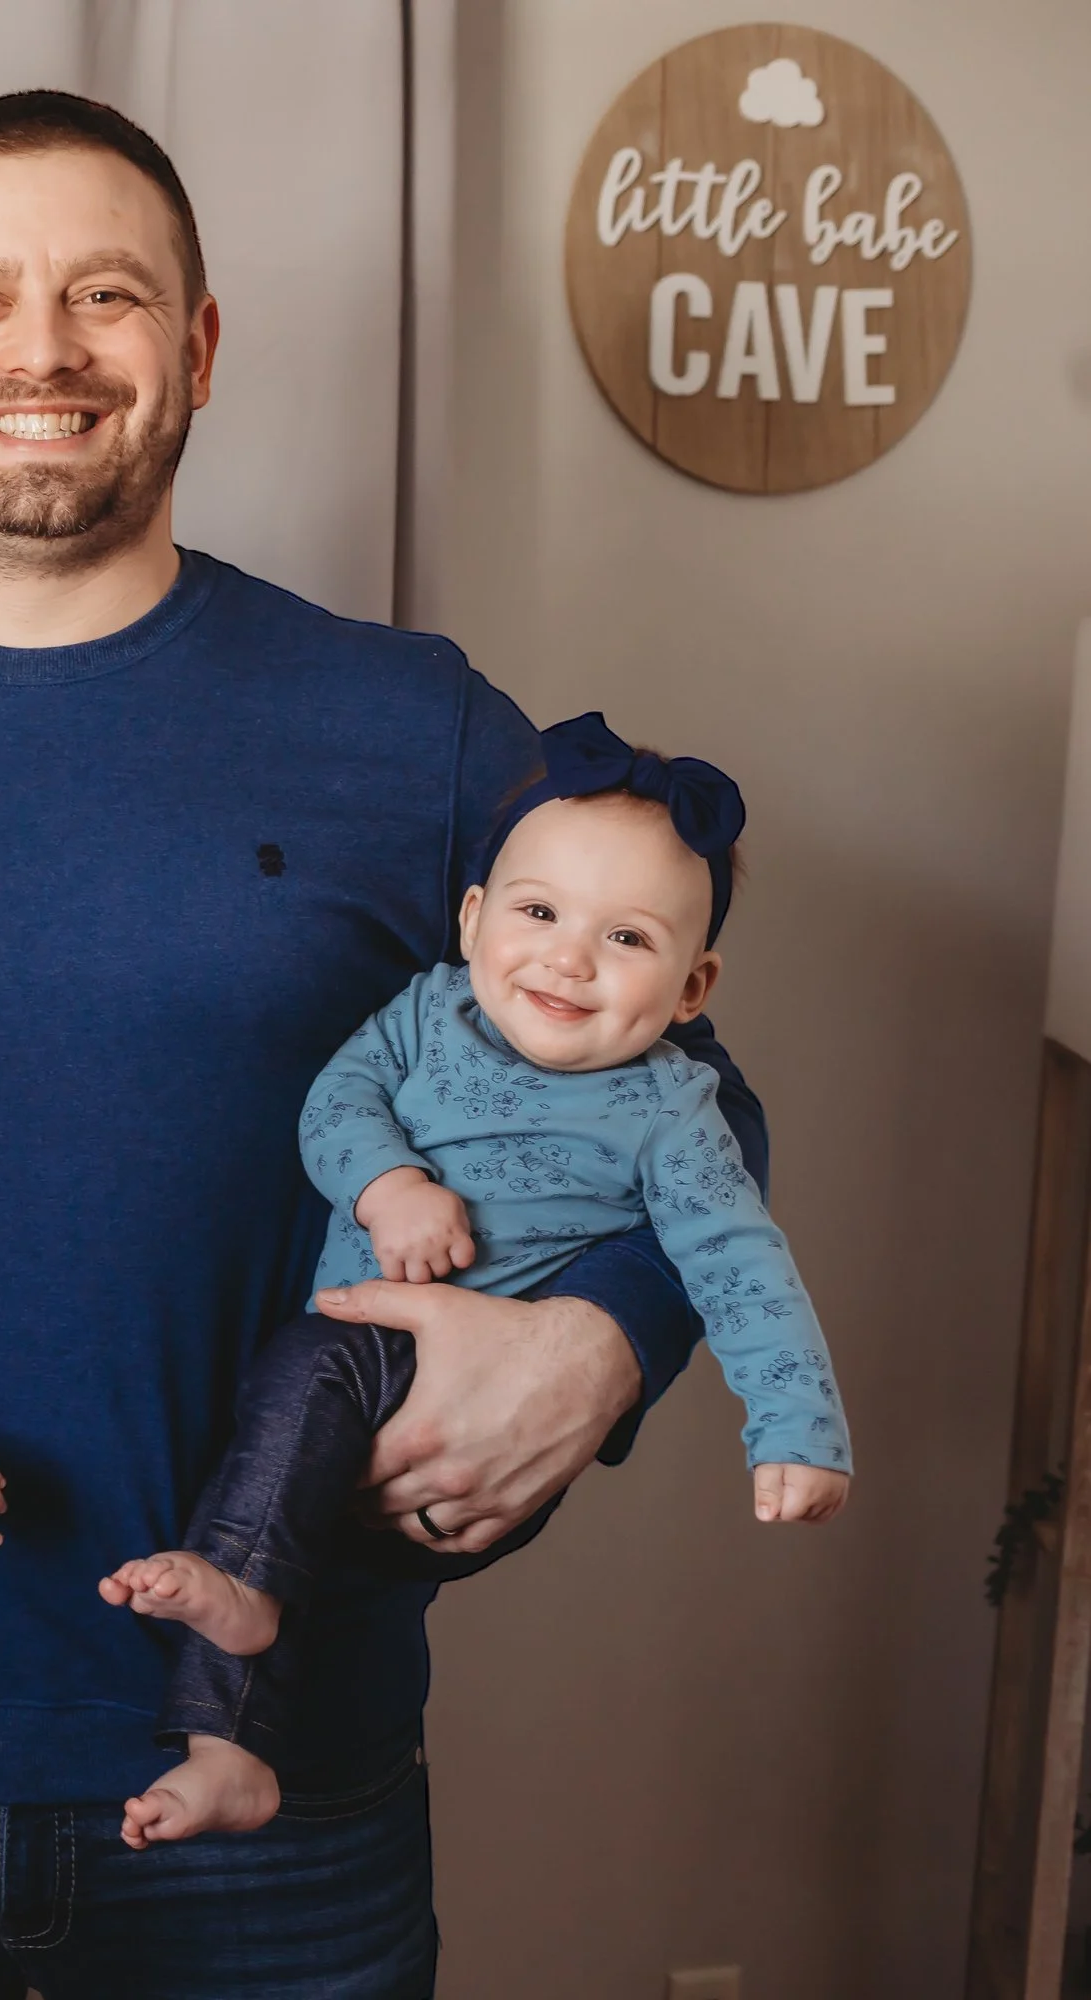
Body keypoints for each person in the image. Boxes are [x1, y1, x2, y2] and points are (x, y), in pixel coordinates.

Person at [0, 92, 772, 1995]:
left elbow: (690, 1094)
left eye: (105, 296)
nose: (39, 350)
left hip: (282, 1789)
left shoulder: (414, 734)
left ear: (198, 347)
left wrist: (601, 1341)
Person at [101, 714, 850, 1849]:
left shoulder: (671, 1113)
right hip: (342, 1392)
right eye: (538, 911)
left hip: (470, 1443)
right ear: (471, 918)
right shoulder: (421, 1016)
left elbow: (739, 1262)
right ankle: (226, 1753)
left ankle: (241, 1608)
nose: (567, 958)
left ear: (693, 986)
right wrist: (388, 1183)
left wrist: (796, 1428)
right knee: (279, 1517)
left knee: (294, 1455)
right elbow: (335, 1104)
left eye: (627, 938)